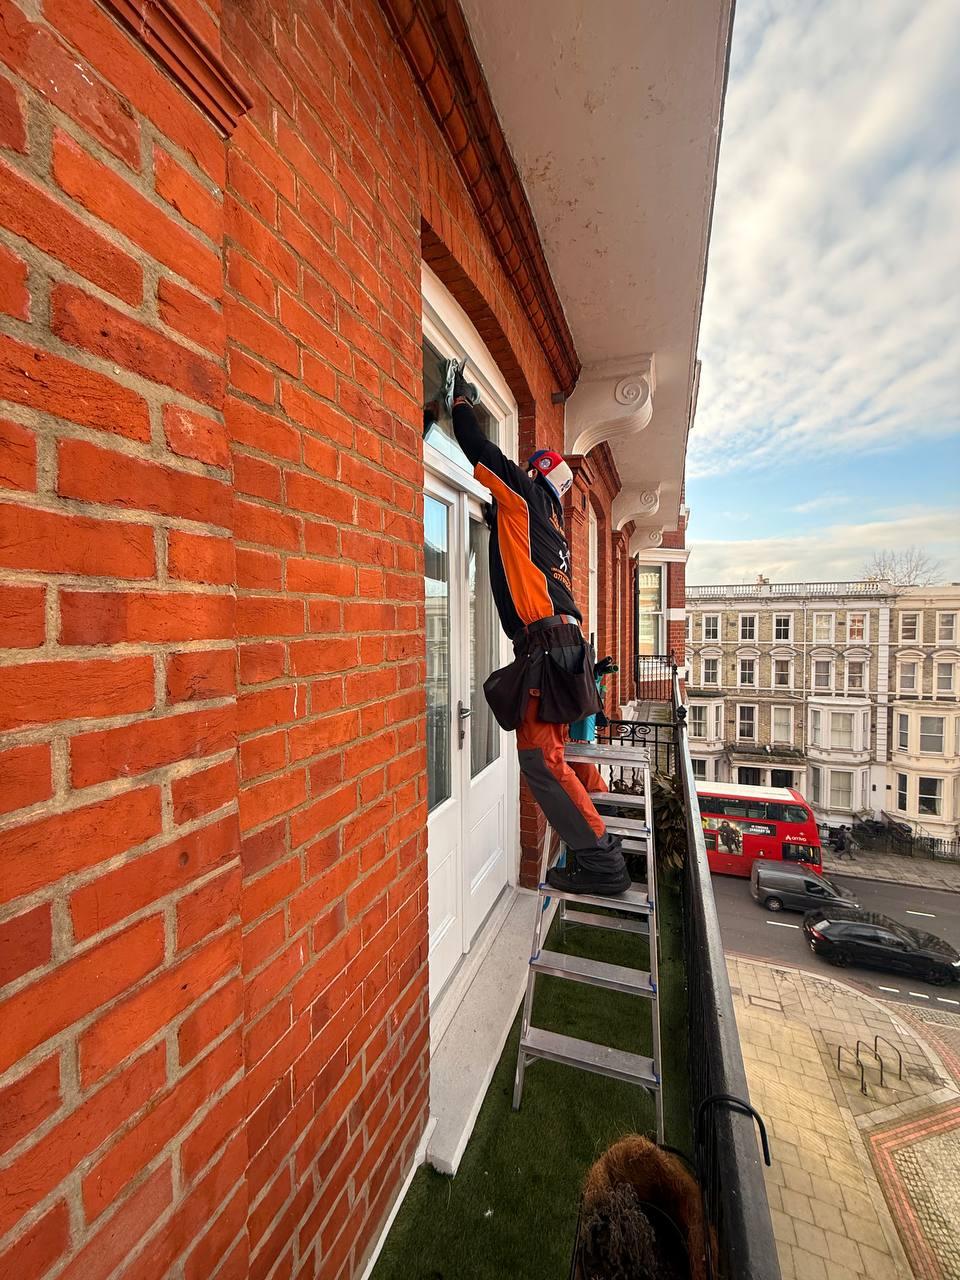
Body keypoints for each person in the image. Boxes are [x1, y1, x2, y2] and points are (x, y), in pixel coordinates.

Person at [448, 361, 630, 896]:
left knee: (541, 759)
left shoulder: (524, 500)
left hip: (548, 650)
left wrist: (460, 403)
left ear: (534, 475)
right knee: (571, 753)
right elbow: (514, 561)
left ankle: (601, 861)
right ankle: (607, 827)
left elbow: (477, 447)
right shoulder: (551, 524)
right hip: (570, 648)